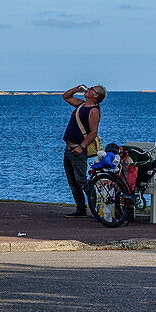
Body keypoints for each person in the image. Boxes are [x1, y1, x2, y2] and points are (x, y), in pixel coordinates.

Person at [61, 83, 106, 217]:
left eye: (92, 89)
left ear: (95, 95)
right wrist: (76, 88)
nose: (89, 89)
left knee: (81, 181)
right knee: (72, 181)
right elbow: (66, 96)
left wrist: (81, 147)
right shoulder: (81, 105)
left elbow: (93, 133)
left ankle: (95, 208)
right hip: (69, 149)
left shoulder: (94, 110)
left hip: (77, 150)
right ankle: (81, 209)